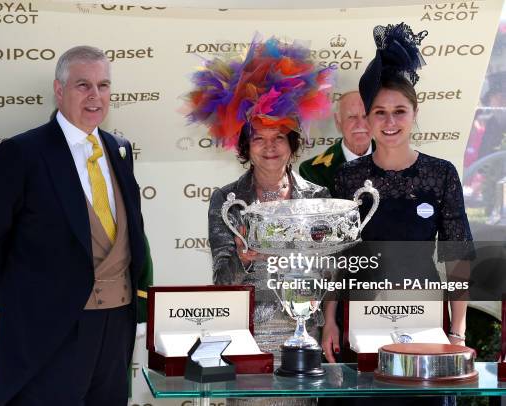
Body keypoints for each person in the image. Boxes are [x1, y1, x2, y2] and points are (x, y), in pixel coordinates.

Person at [0, 46, 150, 406]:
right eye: (83, 85)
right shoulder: (22, 153)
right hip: (50, 329)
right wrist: (21, 304)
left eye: (103, 85)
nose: (95, 96)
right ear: (59, 89)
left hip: (116, 326)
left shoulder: (120, 149)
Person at [324, 23, 473, 404]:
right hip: (361, 322)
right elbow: (336, 259)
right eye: (380, 112)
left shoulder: (441, 175)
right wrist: (329, 321)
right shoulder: (347, 178)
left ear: (414, 112)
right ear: (366, 119)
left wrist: (457, 332)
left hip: (423, 320)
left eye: (399, 111)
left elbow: (457, 257)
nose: (390, 123)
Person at [187, 36, 333, 406]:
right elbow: (223, 280)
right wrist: (241, 257)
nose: (270, 147)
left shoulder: (317, 198)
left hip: (304, 334)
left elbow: (332, 275)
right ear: (245, 147)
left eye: (279, 137)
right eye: (259, 139)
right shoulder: (227, 200)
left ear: (293, 143)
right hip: (249, 336)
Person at [299, 91, 373, 195]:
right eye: (352, 117)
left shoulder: (397, 161)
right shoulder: (313, 171)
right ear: (338, 121)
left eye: (366, 116)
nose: (360, 124)